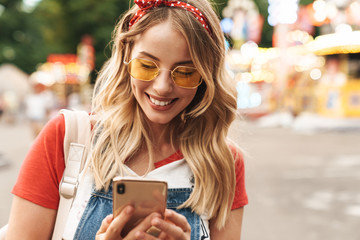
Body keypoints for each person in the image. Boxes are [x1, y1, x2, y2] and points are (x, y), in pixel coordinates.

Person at [6, 0, 248, 239]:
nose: (162, 87)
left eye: (185, 72)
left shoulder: (224, 162)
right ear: (125, 56)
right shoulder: (67, 137)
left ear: (207, 76)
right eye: (146, 66)